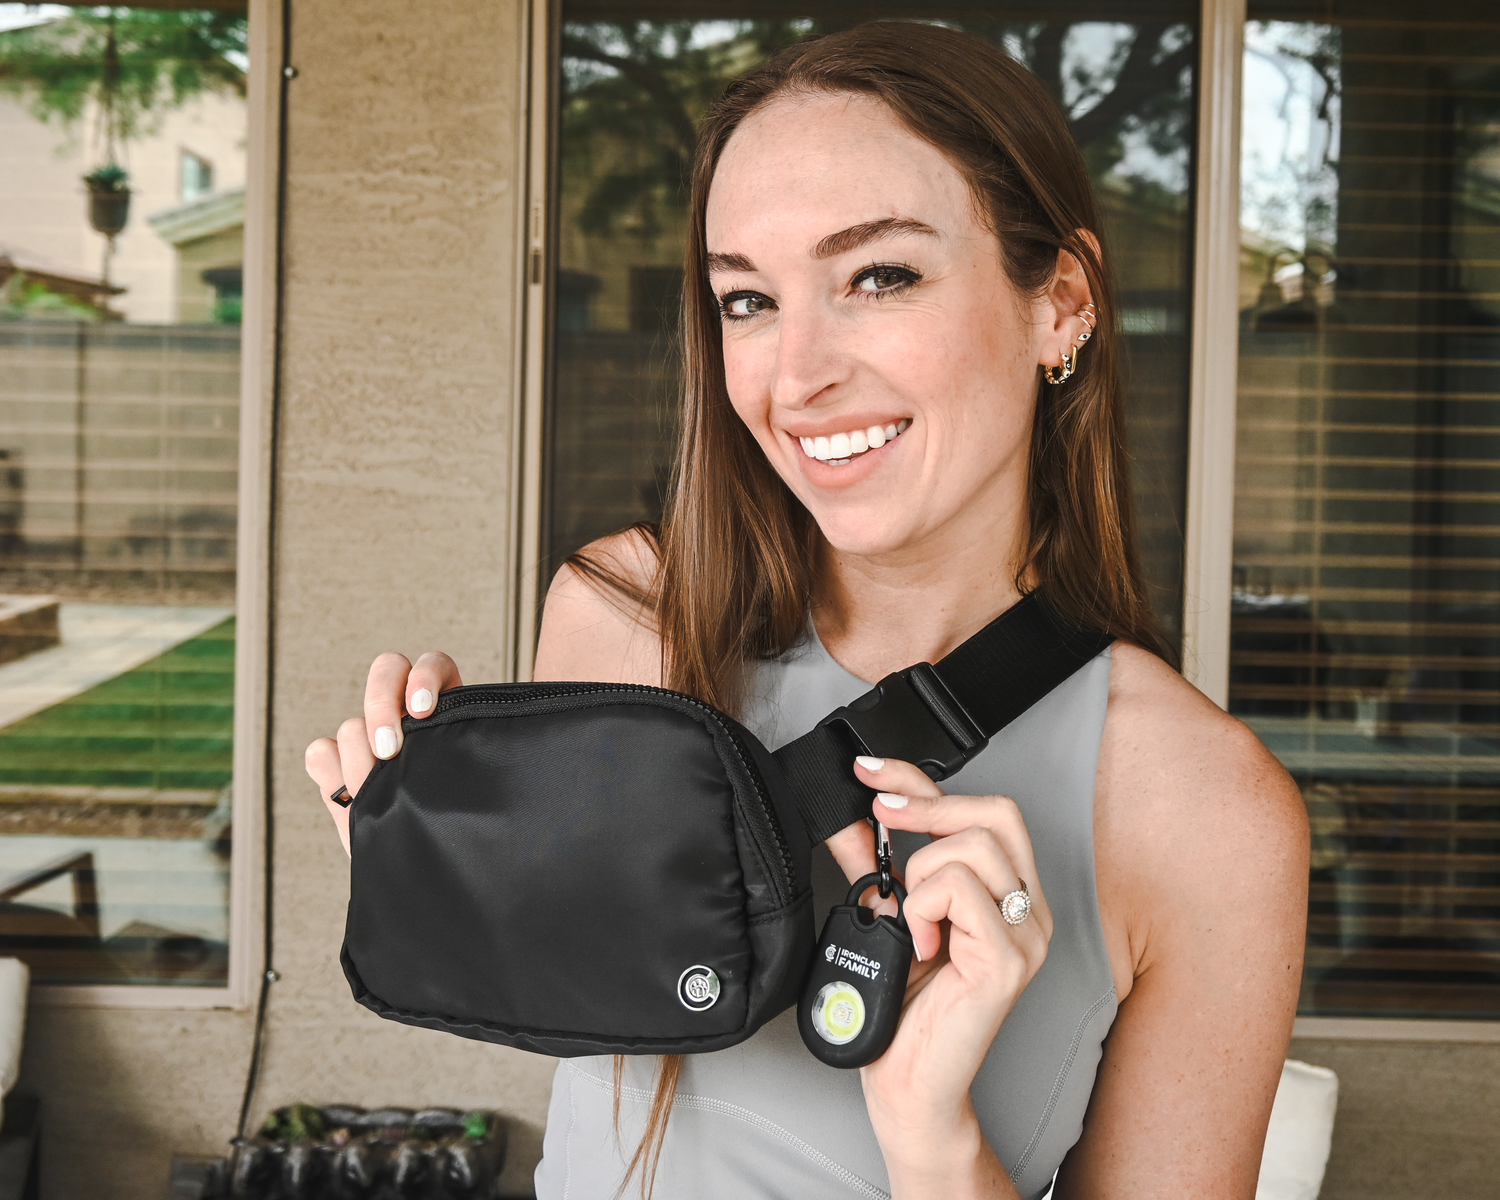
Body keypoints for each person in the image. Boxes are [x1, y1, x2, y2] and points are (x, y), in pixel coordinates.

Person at [306, 22, 1309, 1200]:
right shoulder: (625, 622)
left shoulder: (1205, 812)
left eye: (879, 276)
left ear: (1063, 304)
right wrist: (430, 865)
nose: (795, 377)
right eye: (747, 301)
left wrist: (934, 1135)